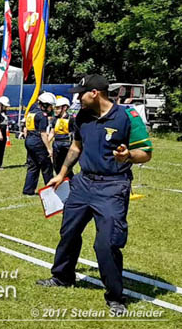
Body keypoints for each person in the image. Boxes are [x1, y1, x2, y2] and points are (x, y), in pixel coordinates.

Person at [37, 74, 153, 315]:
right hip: (83, 183)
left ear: (95, 93)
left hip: (113, 186)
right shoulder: (81, 117)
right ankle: (62, 276)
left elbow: (146, 152)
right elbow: (76, 146)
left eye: (81, 93)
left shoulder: (127, 117)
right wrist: (62, 173)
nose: (77, 98)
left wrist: (128, 155)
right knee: (68, 232)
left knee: (106, 243)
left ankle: (115, 296)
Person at [22, 92, 55, 195]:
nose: (51, 108)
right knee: (46, 166)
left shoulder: (32, 113)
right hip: (37, 141)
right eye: (50, 106)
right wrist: (49, 148)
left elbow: (25, 128)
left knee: (33, 165)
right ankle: (51, 189)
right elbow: (43, 134)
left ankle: (28, 190)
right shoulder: (42, 115)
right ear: (45, 105)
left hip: (29, 140)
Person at [49, 97, 74, 178]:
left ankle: (71, 183)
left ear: (65, 108)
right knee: (56, 166)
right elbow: (52, 132)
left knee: (66, 167)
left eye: (58, 108)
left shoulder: (71, 119)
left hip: (66, 144)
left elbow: (74, 133)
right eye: (55, 108)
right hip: (56, 144)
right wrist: (46, 143)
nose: (55, 110)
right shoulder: (54, 119)